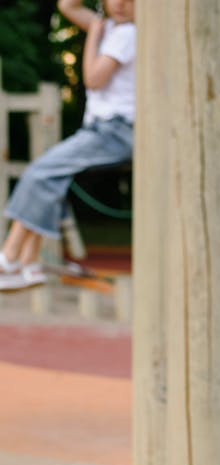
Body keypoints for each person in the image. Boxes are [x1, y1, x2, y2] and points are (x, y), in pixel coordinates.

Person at [0, 0, 136, 291]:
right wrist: (99, 28)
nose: (121, 4)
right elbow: (68, 5)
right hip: (104, 129)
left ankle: (9, 257)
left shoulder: (129, 34)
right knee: (52, 179)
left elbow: (93, 79)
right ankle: (29, 262)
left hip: (115, 131)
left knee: (40, 172)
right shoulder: (111, 28)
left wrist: (93, 36)